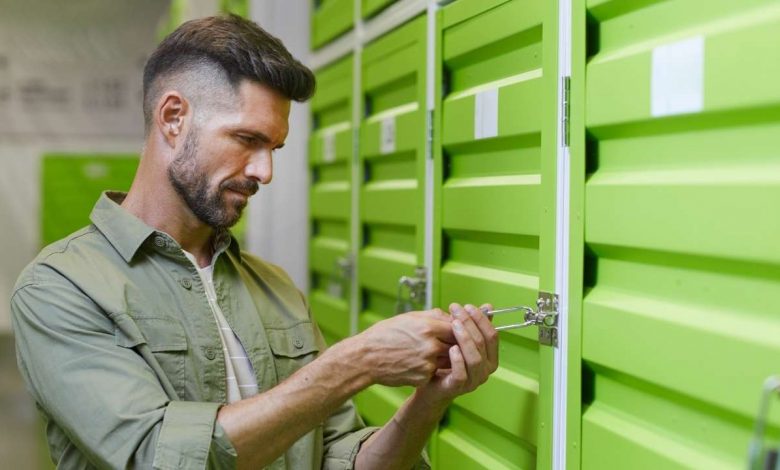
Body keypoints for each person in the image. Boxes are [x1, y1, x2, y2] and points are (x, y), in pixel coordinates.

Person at [10, 15, 499, 470]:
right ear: (174, 117)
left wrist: (428, 402)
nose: (265, 172)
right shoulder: (62, 288)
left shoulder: (274, 288)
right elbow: (156, 454)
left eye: (274, 148)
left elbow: (340, 458)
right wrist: (358, 361)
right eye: (247, 139)